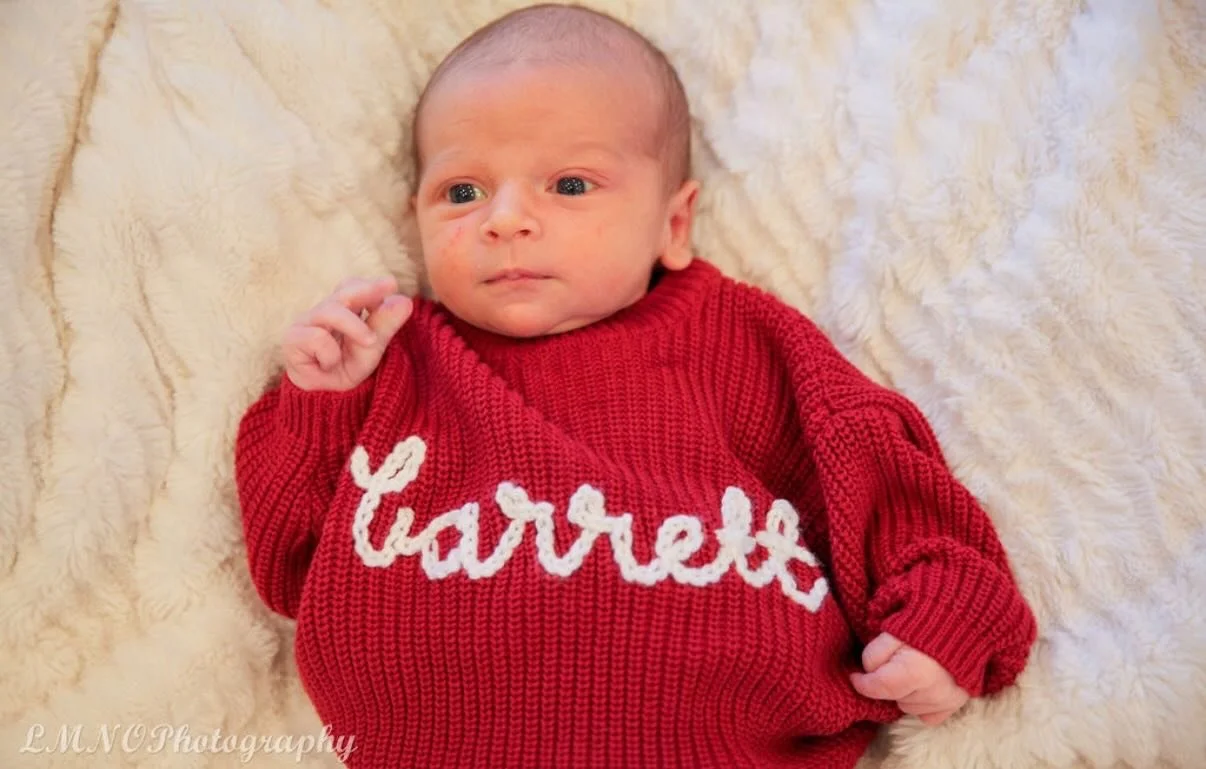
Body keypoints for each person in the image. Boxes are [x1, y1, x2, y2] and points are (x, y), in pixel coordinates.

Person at [233, 4, 1038, 767]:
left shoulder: (741, 342)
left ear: (673, 224)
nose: (504, 218)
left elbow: (882, 476)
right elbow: (288, 568)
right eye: (462, 192)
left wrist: (944, 614)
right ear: (416, 216)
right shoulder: (394, 362)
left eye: (570, 185)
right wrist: (322, 407)